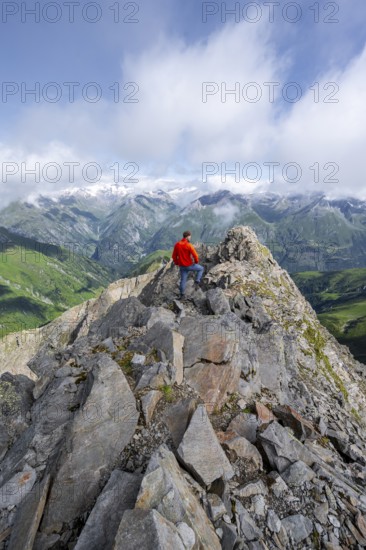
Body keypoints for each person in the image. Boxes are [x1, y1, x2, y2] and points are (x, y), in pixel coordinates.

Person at [172, 231, 204, 299]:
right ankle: (197, 281)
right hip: (189, 265)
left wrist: (177, 262)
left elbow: (174, 256)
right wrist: (196, 262)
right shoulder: (189, 245)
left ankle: (182, 295)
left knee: (183, 280)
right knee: (201, 269)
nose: (190, 237)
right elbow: (195, 255)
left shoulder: (177, 244)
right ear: (187, 236)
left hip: (182, 266)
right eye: (190, 236)